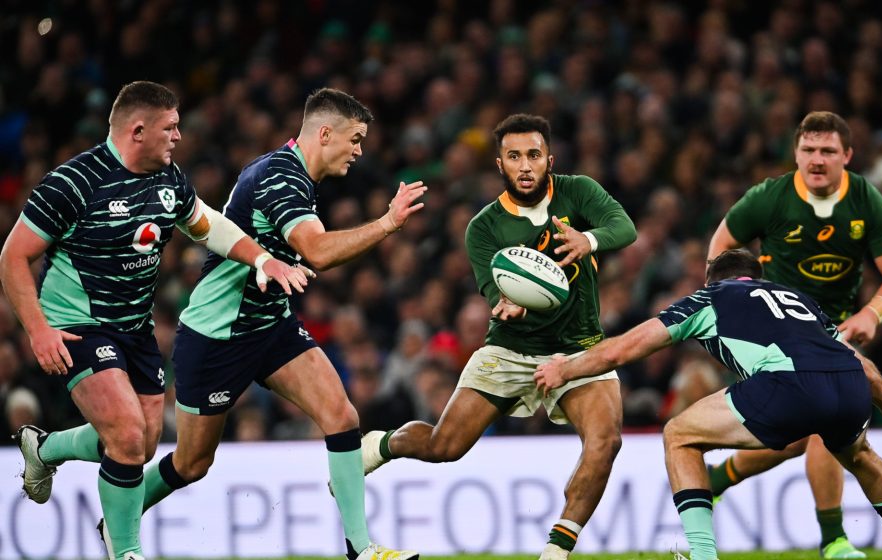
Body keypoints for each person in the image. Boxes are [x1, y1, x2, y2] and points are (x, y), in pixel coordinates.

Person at [107, 88, 424, 560]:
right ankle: (117, 522)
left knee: (342, 416)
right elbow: (315, 249)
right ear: (324, 133)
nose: (359, 150)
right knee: (192, 463)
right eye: (355, 139)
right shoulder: (281, 178)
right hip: (216, 335)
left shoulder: (294, 174)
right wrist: (386, 224)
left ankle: (361, 548)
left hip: (269, 324)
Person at [0, 81, 307, 560]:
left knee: (141, 446)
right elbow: (12, 256)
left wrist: (263, 260)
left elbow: (207, 223)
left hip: (135, 329)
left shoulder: (169, 179)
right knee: (124, 435)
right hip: (77, 324)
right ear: (137, 131)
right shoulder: (74, 183)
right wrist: (38, 329)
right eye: (171, 127)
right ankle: (127, 552)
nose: (179, 136)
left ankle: (46, 449)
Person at [534, 249, 882, 560]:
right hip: (848, 385)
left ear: (714, 279)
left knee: (679, 435)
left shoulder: (710, 298)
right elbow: (857, 361)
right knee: (862, 455)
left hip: (788, 383)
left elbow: (623, 349)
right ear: (755, 277)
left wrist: (565, 370)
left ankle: (703, 554)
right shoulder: (797, 298)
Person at [358, 114, 637, 560]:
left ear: (550, 158)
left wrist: (589, 240)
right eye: (514, 157)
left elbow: (625, 228)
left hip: (579, 347)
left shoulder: (579, 191)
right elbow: (492, 286)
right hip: (510, 348)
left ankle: (556, 552)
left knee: (606, 440)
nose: (525, 165)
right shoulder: (484, 227)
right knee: (443, 446)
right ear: (499, 164)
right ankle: (380, 444)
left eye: (533, 155)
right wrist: (505, 300)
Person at [704, 111, 882, 559]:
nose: (816, 160)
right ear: (795, 153)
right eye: (808, 150)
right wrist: (738, 305)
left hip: (836, 327)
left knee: (804, 434)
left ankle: (719, 481)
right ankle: (834, 540)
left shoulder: (864, 198)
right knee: (819, 428)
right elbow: (720, 249)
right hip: (778, 331)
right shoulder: (769, 198)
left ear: (848, 156)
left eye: (827, 151)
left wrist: (873, 313)